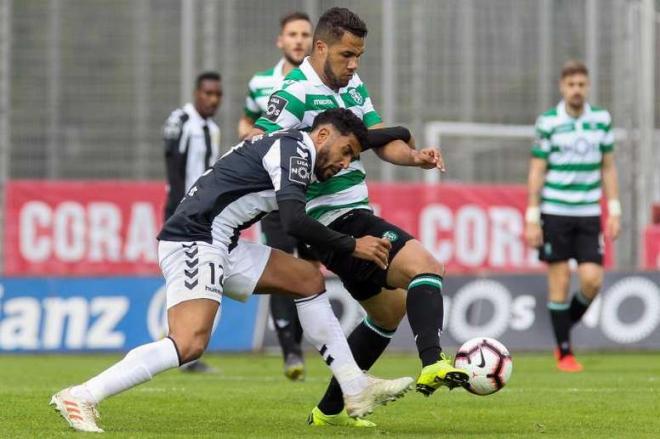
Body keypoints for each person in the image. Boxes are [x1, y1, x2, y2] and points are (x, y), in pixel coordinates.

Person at [49, 109, 413, 433]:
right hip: (195, 238)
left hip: (223, 241)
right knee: (189, 343)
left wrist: (400, 134)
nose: (346, 163)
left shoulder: (298, 145)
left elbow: (352, 140)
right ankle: (81, 395)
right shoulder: (295, 151)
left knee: (307, 279)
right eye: (346, 152)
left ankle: (354, 386)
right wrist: (353, 245)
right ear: (322, 136)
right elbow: (294, 221)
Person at [250, 7, 468, 428]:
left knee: (388, 312)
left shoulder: (353, 86)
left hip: (354, 214)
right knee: (427, 267)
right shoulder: (294, 91)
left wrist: (414, 158)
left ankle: (328, 412)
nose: (353, 64)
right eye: (346, 55)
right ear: (320, 47)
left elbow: (378, 137)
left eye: (359, 56)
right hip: (332, 219)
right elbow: (261, 143)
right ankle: (433, 361)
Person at [524, 60, 621, 373]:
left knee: (593, 280)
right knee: (561, 278)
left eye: (581, 84)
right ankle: (564, 352)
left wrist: (615, 209)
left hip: (589, 212)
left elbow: (608, 166)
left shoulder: (601, 120)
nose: (576, 90)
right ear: (562, 87)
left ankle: (560, 327)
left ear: (588, 86)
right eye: (571, 85)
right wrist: (532, 215)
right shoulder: (549, 122)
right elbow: (538, 169)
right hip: (555, 210)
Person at [238, 11, 313, 381]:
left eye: (304, 34)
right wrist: (251, 135)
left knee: (312, 267)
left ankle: (308, 339)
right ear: (280, 41)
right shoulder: (261, 82)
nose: (298, 40)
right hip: (271, 192)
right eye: (292, 34)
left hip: (313, 192)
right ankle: (291, 350)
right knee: (282, 263)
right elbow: (246, 121)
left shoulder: (321, 82)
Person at [162, 71, 222, 373]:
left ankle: (184, 350)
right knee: (182, 279)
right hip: (182, 215)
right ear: (197, 93)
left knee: (199, 281)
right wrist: (177, 211)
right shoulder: (181, 121)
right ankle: (178, 347)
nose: (213, 100)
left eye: (217, 95)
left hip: (203, 217)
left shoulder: (212, 128)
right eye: (208, 94)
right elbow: (173, 166)